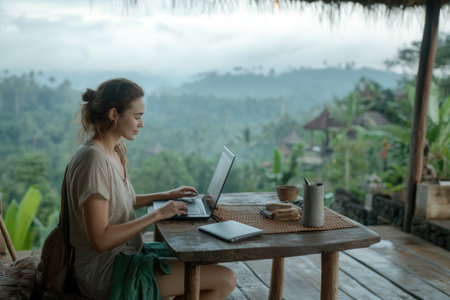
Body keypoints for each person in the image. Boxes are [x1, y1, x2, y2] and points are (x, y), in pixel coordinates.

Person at [64, 78, 236, 299]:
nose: (141, 124)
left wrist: (167, 195)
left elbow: (121, 202)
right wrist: (158, 214)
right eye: (137, 117)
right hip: (108, 272)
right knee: (225, 279)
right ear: (113, 115)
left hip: (127, 255)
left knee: (209, 258)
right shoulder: (93, 160)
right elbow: (100, 239)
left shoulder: (114, 150)